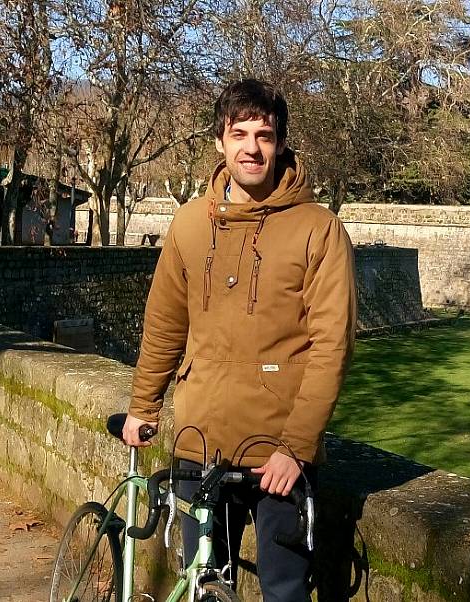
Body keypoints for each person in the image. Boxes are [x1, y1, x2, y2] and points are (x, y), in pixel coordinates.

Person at [122, 79, 356, 601]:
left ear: (281, 142)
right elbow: (165, 324)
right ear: (220, 141)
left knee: (283, 590)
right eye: (240, 134)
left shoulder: (319, 230)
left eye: (265, 135)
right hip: (197, 442)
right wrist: (143, 406)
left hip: (276, 455)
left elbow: (331, 348)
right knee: (205, 584)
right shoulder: (187, 225)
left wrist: (295, 449)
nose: (252, 148)